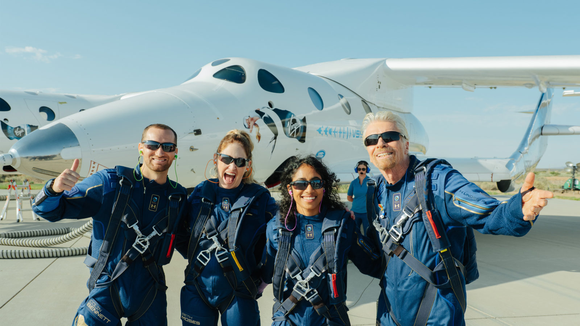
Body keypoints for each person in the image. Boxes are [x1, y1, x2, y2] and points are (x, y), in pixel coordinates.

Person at [361, 111, 554, 326]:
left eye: (389, 136)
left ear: (406, 144)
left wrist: (517, 210)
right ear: (367, 150)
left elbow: (489, 214)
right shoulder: (375, 192)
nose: (380, 143)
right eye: (371, 140)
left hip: (437, 318)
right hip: (390, 318)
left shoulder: (437, 181)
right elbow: (377, 261)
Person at [32, 124, 188, 326]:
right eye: (153, 145)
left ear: (175, 152)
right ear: (141, 148)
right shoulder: (110, 184)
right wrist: (54, 189)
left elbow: (189, 243)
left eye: (168, 146)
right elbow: (47, 210)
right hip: (106, 291)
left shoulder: (178, 197)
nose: (160, 152)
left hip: (150, 292)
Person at [262, 155, 382, 326]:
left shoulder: (342, 226)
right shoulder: (276, 228)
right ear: (290, 188)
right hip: (288, 320)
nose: (309, 190)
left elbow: (375, 264)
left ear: (324, 187)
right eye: (301, 184)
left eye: (316, 183)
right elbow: (263, 275)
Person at [178, 129, 277, 326]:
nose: (232, 166)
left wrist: (265, 279)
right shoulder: (200, 193)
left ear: (247, 166)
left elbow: (284, 228)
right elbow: (179, 230)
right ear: (216, 159)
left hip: (239, 290)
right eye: (226, 159)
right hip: (198, 287)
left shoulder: (259, 199)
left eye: (239, 161)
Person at [347, 160, 371, 234]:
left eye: (363, 169)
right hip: (355, 212)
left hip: (367, 213)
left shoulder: (371, 182)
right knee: (354, 233)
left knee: (367, 233)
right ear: (356, 170)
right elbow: (349, 197)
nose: (361, 171)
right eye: (359, 169)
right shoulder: (353, 183)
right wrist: (357, 201)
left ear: (366, 170)